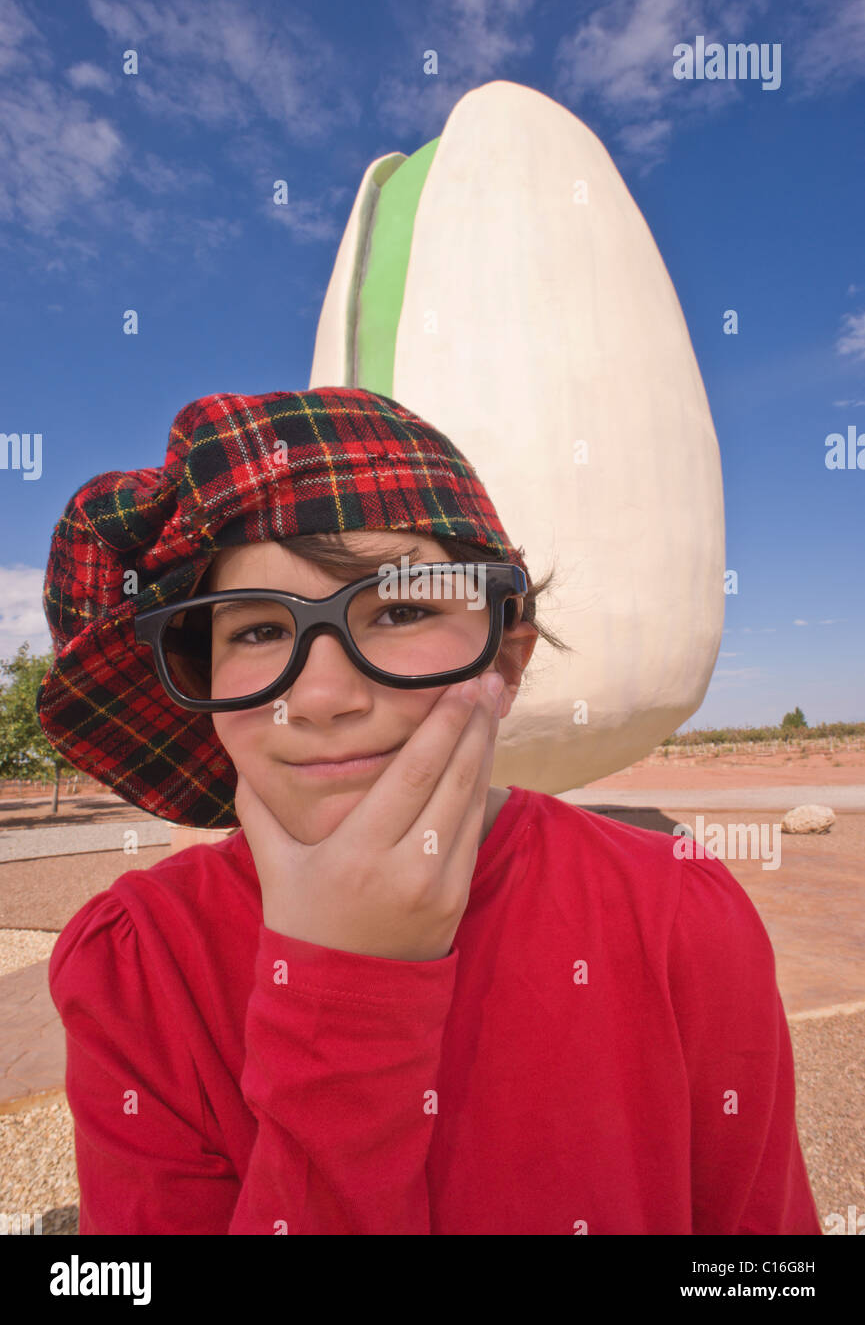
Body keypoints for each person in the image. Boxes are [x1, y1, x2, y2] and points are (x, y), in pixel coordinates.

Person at [39, 387, 821, 1236]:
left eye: (402, 610)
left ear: (507, 659)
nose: (322, 695)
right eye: (257, 631)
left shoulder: (670, 908)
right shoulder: (141, 963)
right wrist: (342, 990)